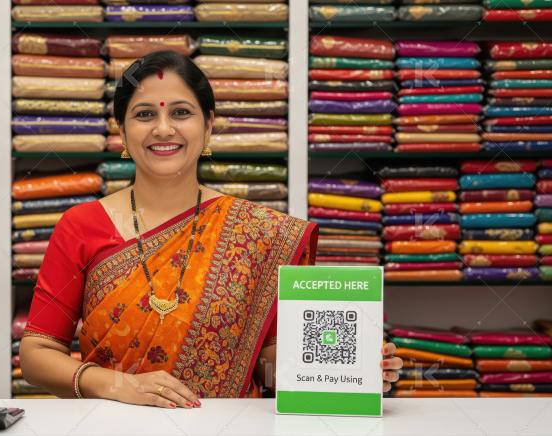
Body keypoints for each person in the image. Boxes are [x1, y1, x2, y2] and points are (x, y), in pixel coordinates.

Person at [20, 50, 402, 408]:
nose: (164, 128)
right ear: (121, 130)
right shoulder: (81, 225)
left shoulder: (257, 232)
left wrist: (345, 368)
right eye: (144, 115)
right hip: (115, 424)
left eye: (182, 113)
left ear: (209, 124)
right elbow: (37, 353)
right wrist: (119, 386)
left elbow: (267, 363)